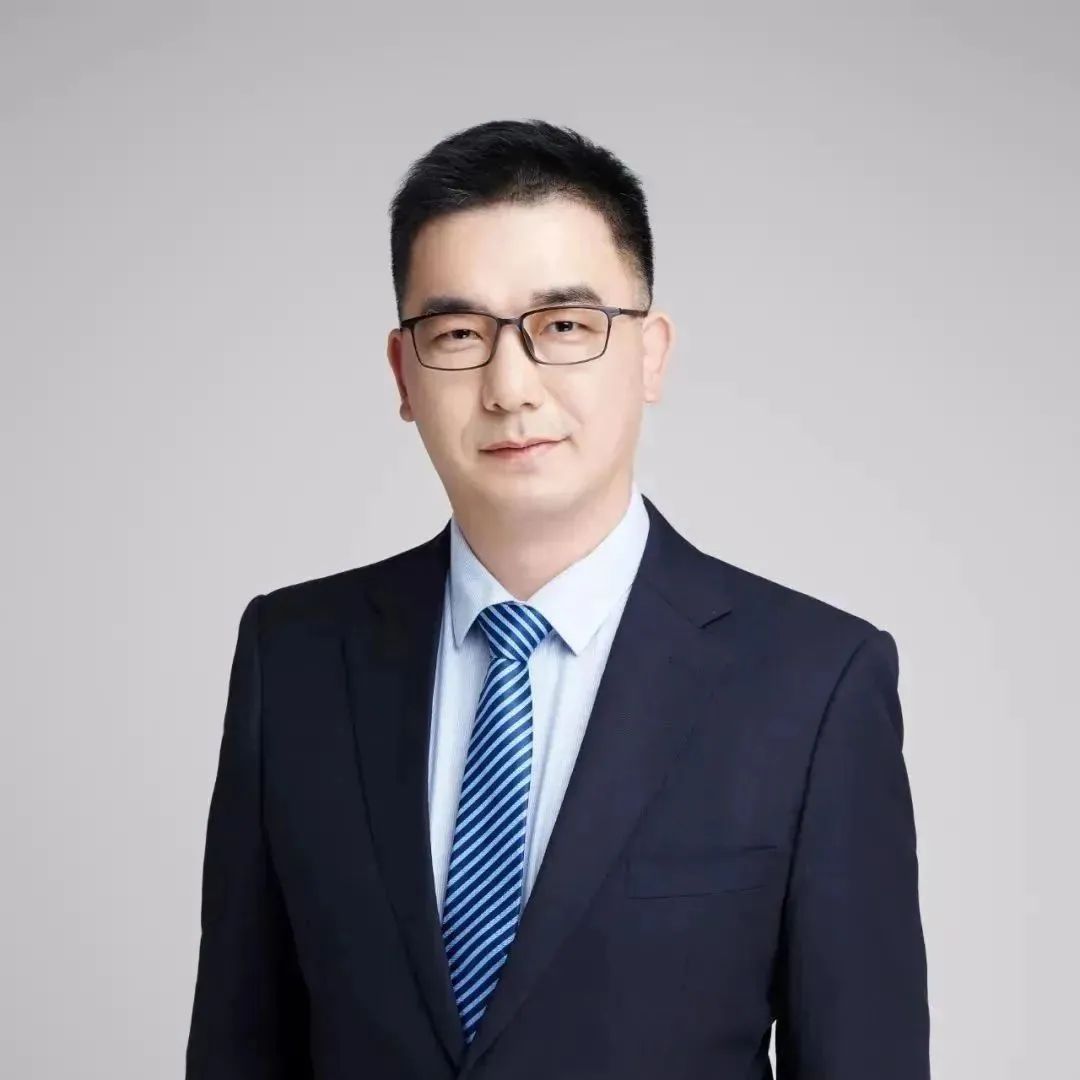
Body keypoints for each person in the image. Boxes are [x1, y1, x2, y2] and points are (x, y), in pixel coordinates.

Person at [185, 119, 931, 1079]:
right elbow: (238, 1046)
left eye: (565, 327)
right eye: (459, 333)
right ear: (404, 373)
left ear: (651, 354)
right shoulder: (292, 657)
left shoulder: (814, 683)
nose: (510, 386)